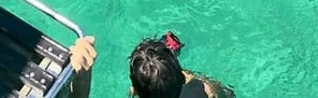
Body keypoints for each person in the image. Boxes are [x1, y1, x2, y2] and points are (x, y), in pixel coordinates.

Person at [67, 34, 234, 98]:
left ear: (134, 89)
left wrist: (83, 77)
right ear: (182, 78)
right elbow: (217, 90)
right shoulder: (199, 90)